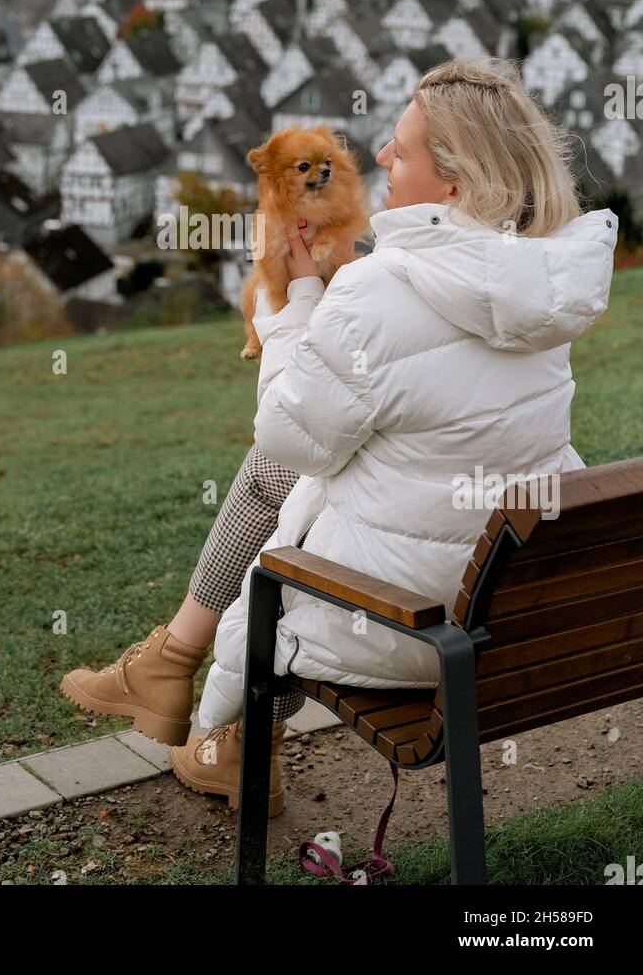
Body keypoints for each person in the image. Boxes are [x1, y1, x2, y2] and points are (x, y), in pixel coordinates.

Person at [61, 58, 618, 815]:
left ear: (453, 182)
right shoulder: (542, 281)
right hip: (515, 609)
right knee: (297, 483)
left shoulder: (380, 291)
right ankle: (178, 672)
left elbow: (291, 435)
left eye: (400, 148)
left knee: (276, 483)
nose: (381, 159)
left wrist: (292, 309)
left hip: (409, 624)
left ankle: (201, 695)